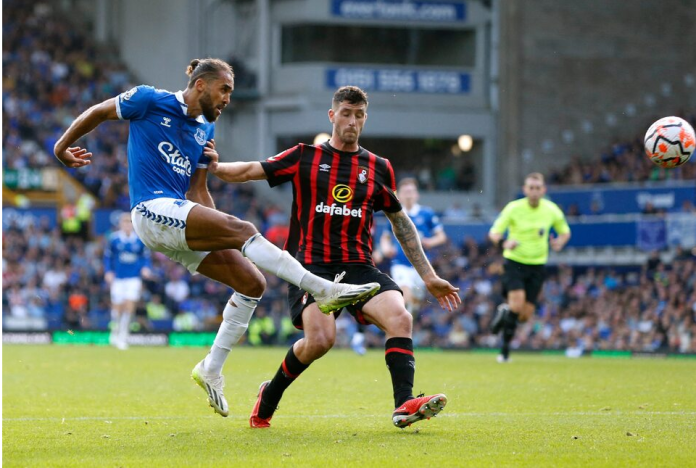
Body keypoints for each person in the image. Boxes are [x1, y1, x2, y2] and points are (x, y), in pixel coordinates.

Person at [53, 59, 381, 418]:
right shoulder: (148, 99)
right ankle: (323, 289)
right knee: (243, 229)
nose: (227, 99)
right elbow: (99, 112)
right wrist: (61, 148)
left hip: (177, 216)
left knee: (251, 282)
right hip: (149, 210)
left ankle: (210, 368)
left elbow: (198, 195)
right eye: (224, 90)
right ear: (200, 86)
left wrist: (224, 232)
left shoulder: (205, 130)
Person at [205, 85, 461, 429]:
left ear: (365, 119)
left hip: (359, 268)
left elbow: (402, 224)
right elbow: (254, 169)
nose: (352, 121)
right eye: (345, 113)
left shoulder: (379, 168)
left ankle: (404, 405)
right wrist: (218, 168)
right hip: (309, 268)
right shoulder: (304, 156)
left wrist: (428, 276)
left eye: (358, 115)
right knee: (321, 340)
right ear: (332, 115)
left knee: (401, 318)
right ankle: (269, 397)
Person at [488, 172, 571, 362]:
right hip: (515, 262)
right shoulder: (513, 208)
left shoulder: (551, 210)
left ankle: (504, 312)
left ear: (543, 190)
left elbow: (565, 232)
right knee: (517, 305)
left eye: (537, 188)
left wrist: (559, 242)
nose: (534, 192)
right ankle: (505, 351)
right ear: (525, 190)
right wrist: (504, 243)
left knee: (524, 316)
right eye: (530, 188)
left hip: (537, 266)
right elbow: (494, 233)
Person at [379, 178, 447, 314]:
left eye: (411, 191)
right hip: (400, 263)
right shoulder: (394, 214)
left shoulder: (426, 213)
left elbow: (441, 236)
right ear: (399, 195)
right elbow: (385, 237)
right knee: (405, 295)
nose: (409, 194)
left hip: (421, 265)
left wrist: (430, 242)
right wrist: (385, 248)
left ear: (417, 195)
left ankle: (409, 320)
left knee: (415, 303)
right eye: (405, 191)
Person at [103, 212, 152, 350]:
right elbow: (107, 257)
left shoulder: (139, 240)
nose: (127, 225)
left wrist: (146, 268)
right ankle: (115, 330)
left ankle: (123, 336)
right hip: (118, 278)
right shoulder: (114, 239)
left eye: (130, 222)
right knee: (117, 306)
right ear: (120, 224)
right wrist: (108, 272)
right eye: (125, 222)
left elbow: (145, 258)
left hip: (133, 278)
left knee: (129, 305)